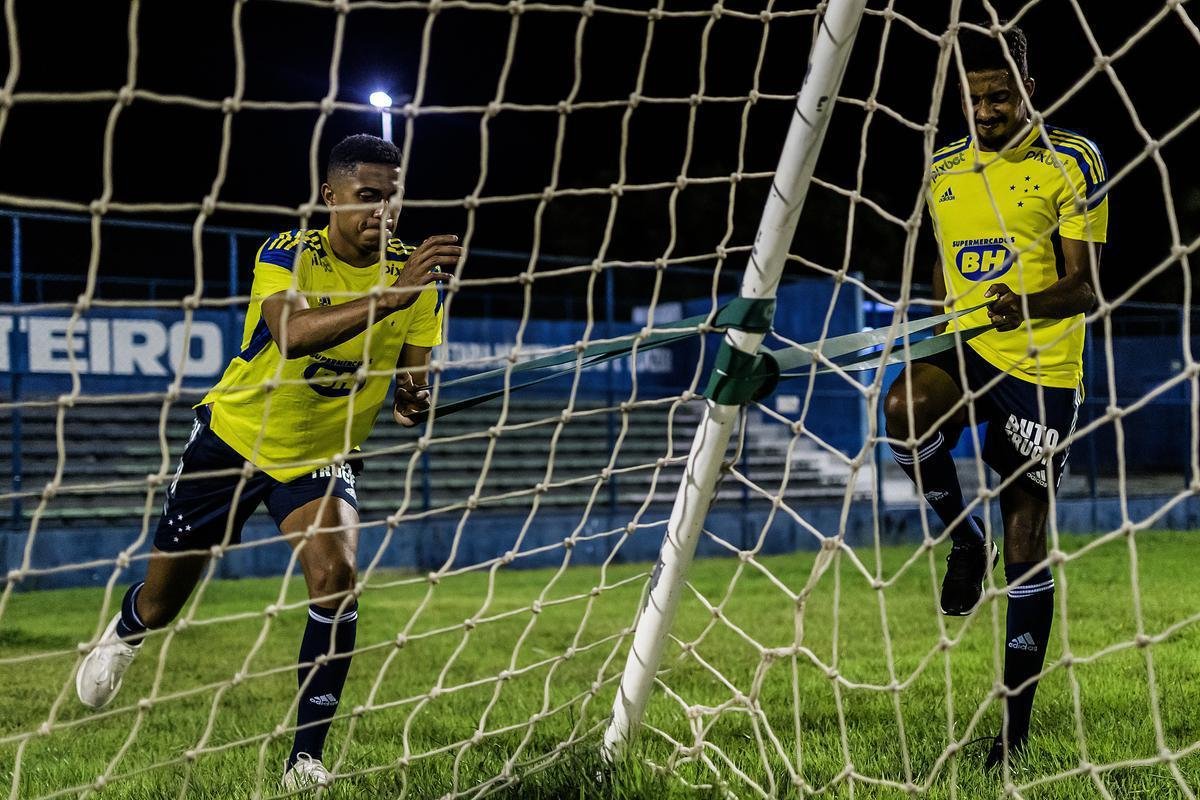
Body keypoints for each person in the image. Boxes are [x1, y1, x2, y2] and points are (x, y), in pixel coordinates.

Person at [73, 134, 460, 789]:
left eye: (392, 199)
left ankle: (304, 759)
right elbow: (293, 335)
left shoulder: (417, 281)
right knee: (165, 602)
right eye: (367, 197)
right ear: (330, 197)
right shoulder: (288, 253)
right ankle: (130, 626)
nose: (383, 212)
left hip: (319, 457)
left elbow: (410, 385)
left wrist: (413, 396)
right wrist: (391, 297)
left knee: (336, 575)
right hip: (234, 440)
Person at [883, 24, 1108, 769]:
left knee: (1026, 544)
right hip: (968, 347)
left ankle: (1013, 733)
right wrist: (937, 322)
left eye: (999, 97)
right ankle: (961, 539)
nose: (985, 111)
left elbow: (1084, 287)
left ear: (1027, 93)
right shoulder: (944, 168)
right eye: (974, 98)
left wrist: (1024, 305)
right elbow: (945, 265)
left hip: (1042, 370)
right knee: (903, 410)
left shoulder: (1071, 160)